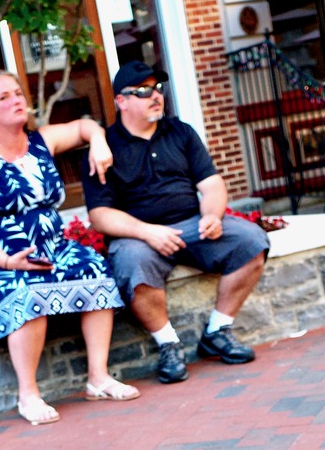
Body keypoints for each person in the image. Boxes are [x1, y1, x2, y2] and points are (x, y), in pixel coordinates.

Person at [0, 70, 134, 425]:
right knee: (26, 287)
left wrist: (99, 141)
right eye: (4, 97)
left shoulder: (41, 141)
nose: (16, 100)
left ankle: (98, 378)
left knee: (94, 266)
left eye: (18, 93)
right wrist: (5, 260)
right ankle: (28, 394)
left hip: (49, 246)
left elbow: (85, 126)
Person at [82, 61, 269, 385]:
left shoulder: (180, 131)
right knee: (131, 261)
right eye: (142, 91)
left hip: (194, 223)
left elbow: (211, 184)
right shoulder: (104, 148)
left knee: (251, 240)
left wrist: (211, 214)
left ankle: (218, 330)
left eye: (157, 88)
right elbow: (100, 215)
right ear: (121, 102)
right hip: (139, 236)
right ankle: (168, 344)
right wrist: (147, 232)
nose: (155, 96)